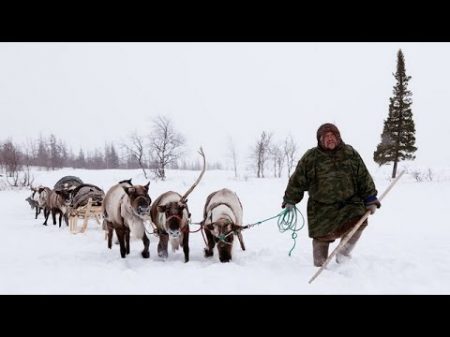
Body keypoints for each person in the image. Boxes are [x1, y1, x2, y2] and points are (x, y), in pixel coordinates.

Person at [282, 123, 381, 267]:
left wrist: (370, 198)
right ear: (320, 140)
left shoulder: (350, 154)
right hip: (321, 207)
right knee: (321, 237)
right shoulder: (311, 157)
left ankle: (343, 254)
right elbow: (297, 180)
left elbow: (363, 177)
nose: (330, 139)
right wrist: (290, 199)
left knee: (359, 222)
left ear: (338, 137)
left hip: (349, 203)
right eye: (326, 137)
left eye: (332, 135)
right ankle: (320, 265)